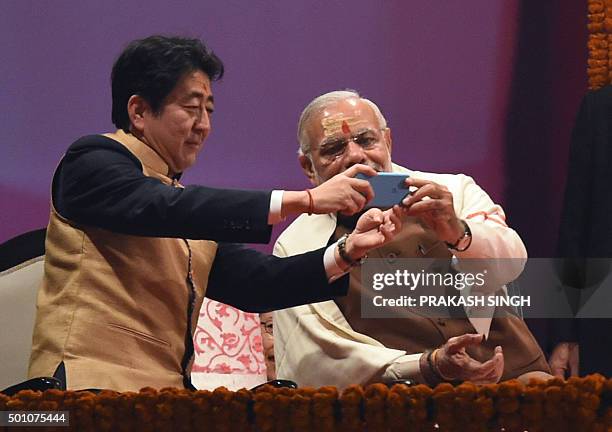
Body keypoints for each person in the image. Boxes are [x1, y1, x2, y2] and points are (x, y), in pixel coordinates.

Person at [27, 37, 405, 392]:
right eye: (191, 109)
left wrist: (348, 251)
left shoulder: (182, 208)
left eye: (208, 111)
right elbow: (160, 207)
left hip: (164, 397)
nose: (203, 125)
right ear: (139, 111)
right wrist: (305, 200)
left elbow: (259, 284)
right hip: (81, 390)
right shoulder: (92, 161)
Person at [273, 90, 552, 388]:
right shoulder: (296, 246)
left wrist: (459, 233)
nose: (356, 156)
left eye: (366, 140)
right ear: (308, 167)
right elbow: (321, 355)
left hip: (516, 374)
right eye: (334, 148)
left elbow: (513, 265)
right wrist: (427, 365)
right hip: (405, 400)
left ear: (387, 141)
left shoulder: (452, 191)